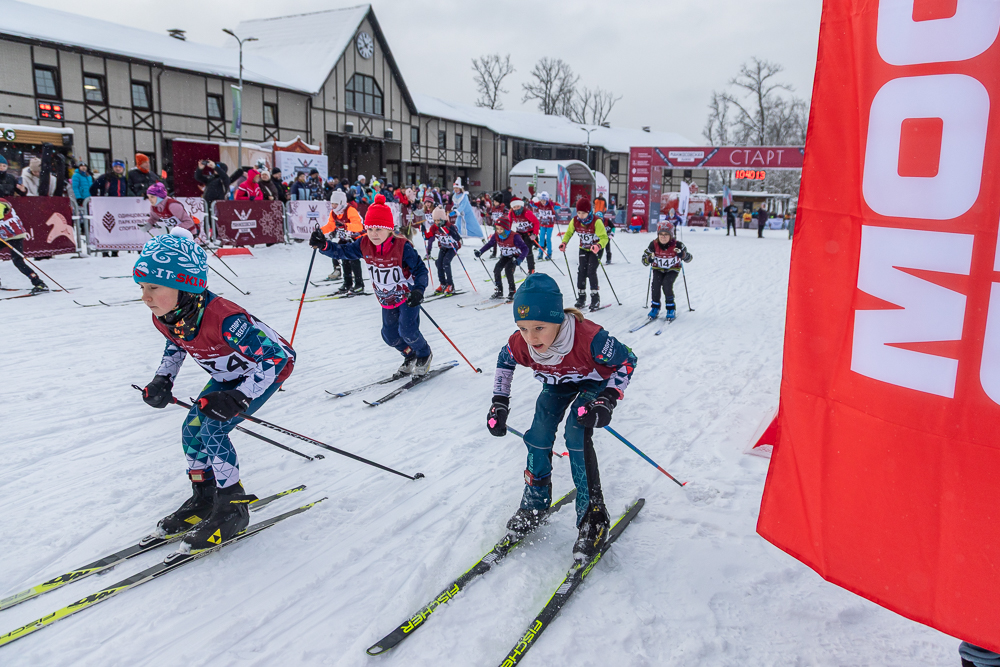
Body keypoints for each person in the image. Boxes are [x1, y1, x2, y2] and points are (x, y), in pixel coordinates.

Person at [135, 228, 295, 553]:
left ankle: (233, 507)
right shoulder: (167, 316)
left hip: (259, 374)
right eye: (142, 287)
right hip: (225, 377)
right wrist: (162, 380)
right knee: (191, 431)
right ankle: (204, 497)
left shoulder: (224, 318)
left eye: (153, 287)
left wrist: (239, 397)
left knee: (214, 430)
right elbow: (176, 344)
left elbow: (278, 358)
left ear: (186, 285)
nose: (145, 296)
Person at [485, 273, 637, 560]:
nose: (531, 337)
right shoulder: (522, 343)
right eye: (523, 328)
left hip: (594, 382)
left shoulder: (590, 339)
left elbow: (627, 360)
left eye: (539, 327)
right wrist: (499, 402)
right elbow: (505, 362)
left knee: (575, 431)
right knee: (538, 434)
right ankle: (535, 503)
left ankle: (593, 516)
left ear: (557, 319)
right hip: (557, 383)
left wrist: (608, 399)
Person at [309, 194, 433, 376]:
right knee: (389, 335)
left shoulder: (402, 246)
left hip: (407, 297)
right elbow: (344, 252)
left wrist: (418, 290)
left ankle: (424, 354)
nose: (374, 234)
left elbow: (420, 270)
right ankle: (410, 354)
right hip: (386, 298)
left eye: (379, 229)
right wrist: (324, 246)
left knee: (407, 330)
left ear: (390, 230)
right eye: (370, 229)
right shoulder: (364, 243)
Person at [559, 197, 608, 312]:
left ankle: (595, 297)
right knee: (581, 270)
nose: (581, 215)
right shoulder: (575, 221)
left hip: (596, 249)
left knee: (591, 271)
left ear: (589, 212)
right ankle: (581, 297)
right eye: (579, 212)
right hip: (583, 248)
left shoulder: (597, 222)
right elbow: (569, 233)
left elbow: (604, 238)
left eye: (584, 213)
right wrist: (564, 243)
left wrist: (598, 246)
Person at [641, 221, 692, 321]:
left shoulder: (678, 245)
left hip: (673, 269)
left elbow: (689, 258)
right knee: (655, 284)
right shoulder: (653, 244)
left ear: (671, 235)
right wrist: (649, 259)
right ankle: (655, 307)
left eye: (666, 235)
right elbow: (644, 260)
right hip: (658, 268)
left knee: (667, 284)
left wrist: (683, 255)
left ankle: (671, 308)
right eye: (661, 234)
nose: (663, 237)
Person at [320, 190, 365, 294]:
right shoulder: (333, 213)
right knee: (344, 258)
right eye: (332, 204)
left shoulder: (350, 210)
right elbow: (331, 225)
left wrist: (345, 226)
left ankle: (359, 284)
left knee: (353, 259)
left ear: (341, 203)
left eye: (336, 204)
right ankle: (347, 282)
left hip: (356, 238)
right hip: (345, 238)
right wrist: (320, 231)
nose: (333, 206)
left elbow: (358, 226)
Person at [474, 216, 528, 301]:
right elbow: (490, 244)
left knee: (508, 271)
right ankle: (499, 291)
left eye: (501, 229)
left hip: (515, 256)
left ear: (506, 228)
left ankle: (512, 291)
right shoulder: (496, 235)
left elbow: (525, 248)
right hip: (505, 256)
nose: (499, 231)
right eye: (497, 229)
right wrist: (480, 252)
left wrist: (520, 259)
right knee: (497, 269)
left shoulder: (515, 236)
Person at [0, 198, 48, 293]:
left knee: (18, 261)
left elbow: (0, 216)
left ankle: (39, 283)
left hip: (14, 234)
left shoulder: (1, 203)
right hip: (4, 235)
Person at [425, 208, 463, 295]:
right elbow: (428, 236)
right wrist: (424, 232)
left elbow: (457, 238)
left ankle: (451, 285)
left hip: (452, 247)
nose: (437, 222)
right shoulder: (434, 227)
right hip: (443, 246)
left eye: (439, 220)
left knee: (446, 262)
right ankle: (443, 283)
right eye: (435, 220)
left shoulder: (450, 226)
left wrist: (449, 231)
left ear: (443, 219)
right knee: (438, 263)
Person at [509, 198, 540, 274]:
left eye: (518, 206)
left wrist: (535, 234)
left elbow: (536, 222)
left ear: (521, 205)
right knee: (516, 250)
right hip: (519, 233)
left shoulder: (527, 213)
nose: (516, 208)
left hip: (529, 233)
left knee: (527, 250)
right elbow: (509, 224)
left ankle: (531, 269)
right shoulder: (511, 213)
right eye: (514, 207)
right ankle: (511, 268)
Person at [534, 192, 559, 261]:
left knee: (548, 239)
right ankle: (540, 253)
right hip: (542, 224)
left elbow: (558, 206)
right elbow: (532, 204)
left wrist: (553, 203)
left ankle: (549, 253)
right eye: (541, 200)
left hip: (550, 224)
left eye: (544, 200)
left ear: (547, 200)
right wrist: (533, 200)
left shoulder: (550, 205)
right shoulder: (539, 204)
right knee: (541, 238)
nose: (543, 202)